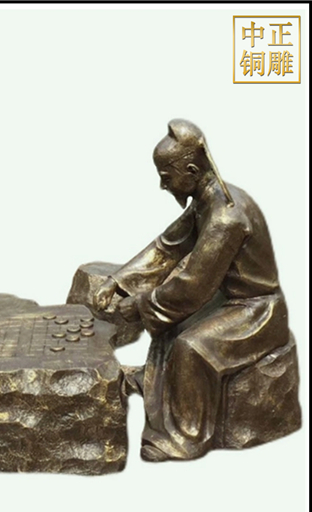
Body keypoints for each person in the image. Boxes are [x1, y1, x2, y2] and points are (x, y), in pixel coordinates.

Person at [94, 119, 296, 462]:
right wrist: (118, 281)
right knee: (172, 326)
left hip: (256, 310)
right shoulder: (205, 201)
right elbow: (167, 246)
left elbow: (193, 287)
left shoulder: (226, 217)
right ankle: (158, 384)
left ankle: (186, 436)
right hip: (230, 301)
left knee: (191, 347)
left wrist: (140, 306)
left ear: (190, 170)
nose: (162, 185)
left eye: (166, 176)